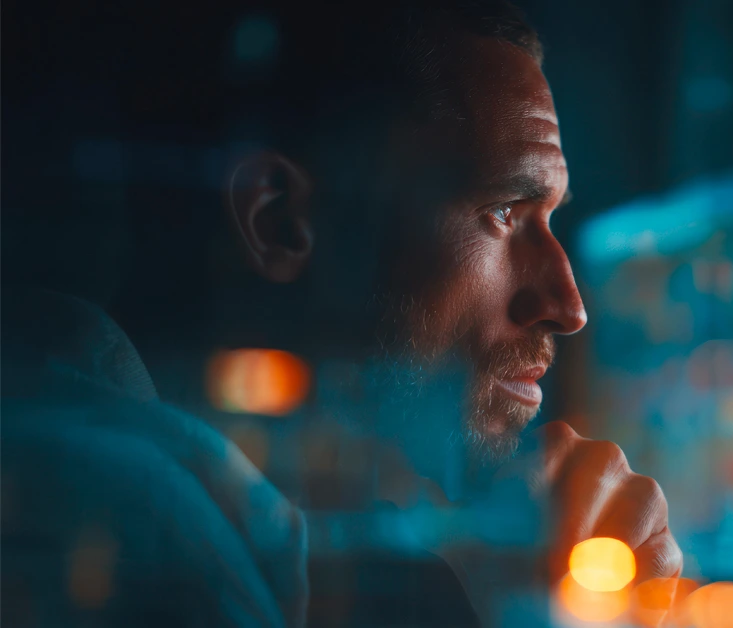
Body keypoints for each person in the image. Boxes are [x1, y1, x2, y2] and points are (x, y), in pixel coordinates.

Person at [0, 1, 680, 626]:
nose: (568, 306)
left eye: (550, 220)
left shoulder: (262, 519)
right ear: (280, 220)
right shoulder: (140, 530)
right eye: (503, 212)